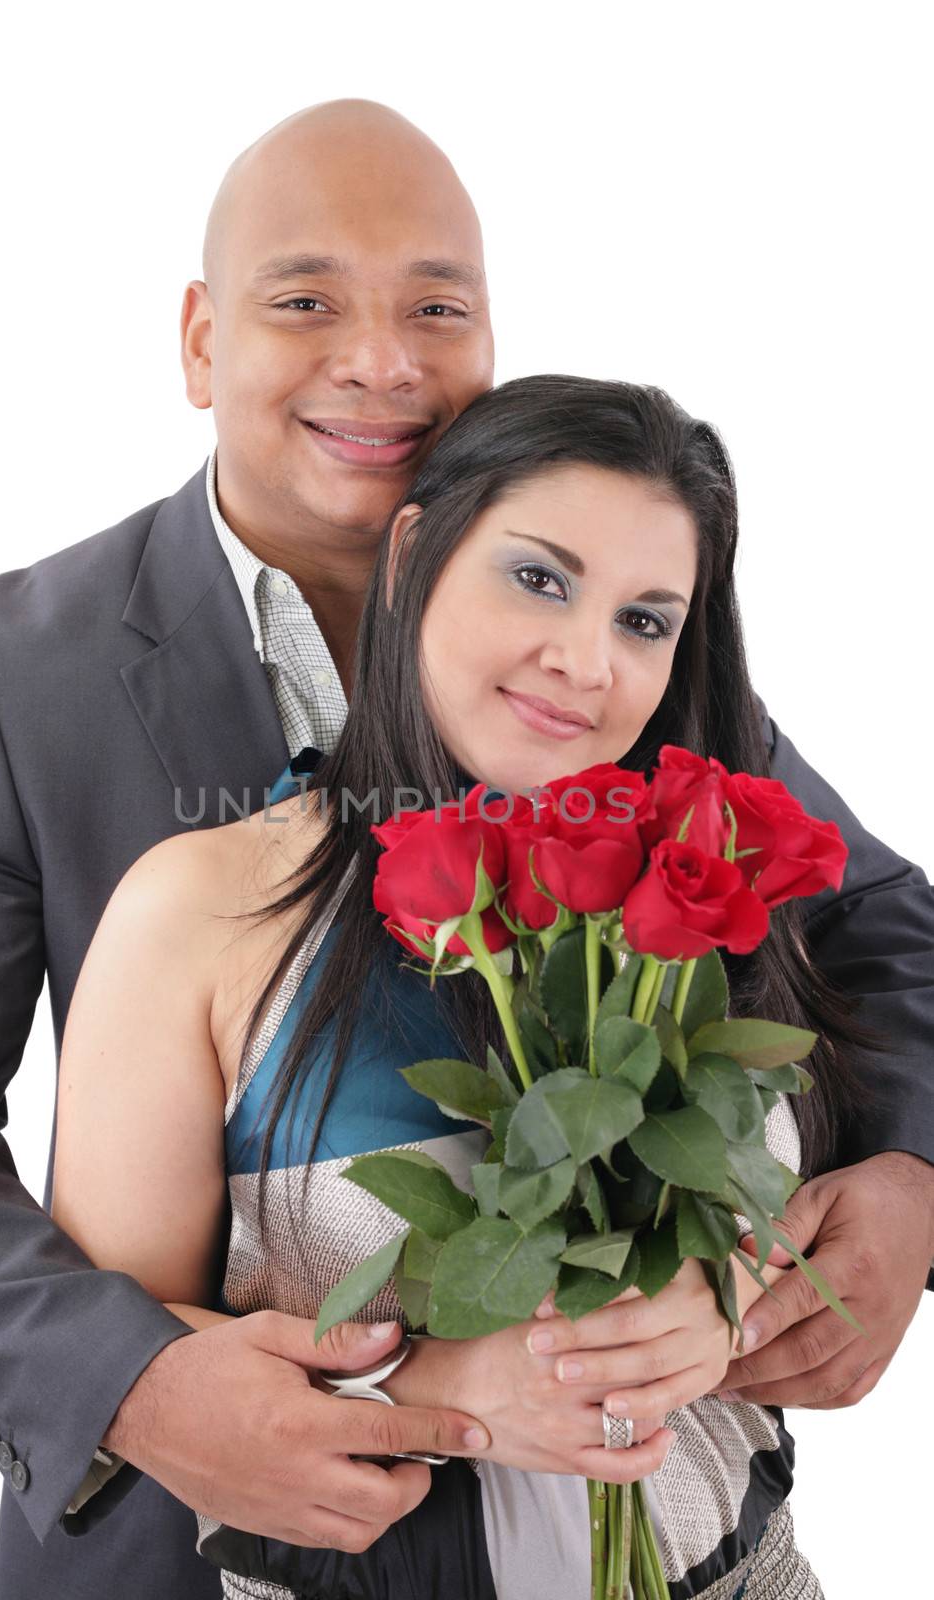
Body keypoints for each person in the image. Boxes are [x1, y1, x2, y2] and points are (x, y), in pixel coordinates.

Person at [0, 99, 931, 1600]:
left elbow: (874, 926)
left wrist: (907, 1179)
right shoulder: (15, 675)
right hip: (222, 1535)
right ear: (198, 342)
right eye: (304, 302)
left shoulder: (598, 647)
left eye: (436, 307)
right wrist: (132, 1381)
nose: (381, 359)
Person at [51, 373, 863, 1598]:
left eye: (644, 620)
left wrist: (722, 1298)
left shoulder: (697, 881)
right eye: (539, 577)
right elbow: (123, 1361)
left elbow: (787, 1187)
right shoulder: (200, 911)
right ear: (414, 552)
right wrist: (443, 1392)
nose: (585, 660)